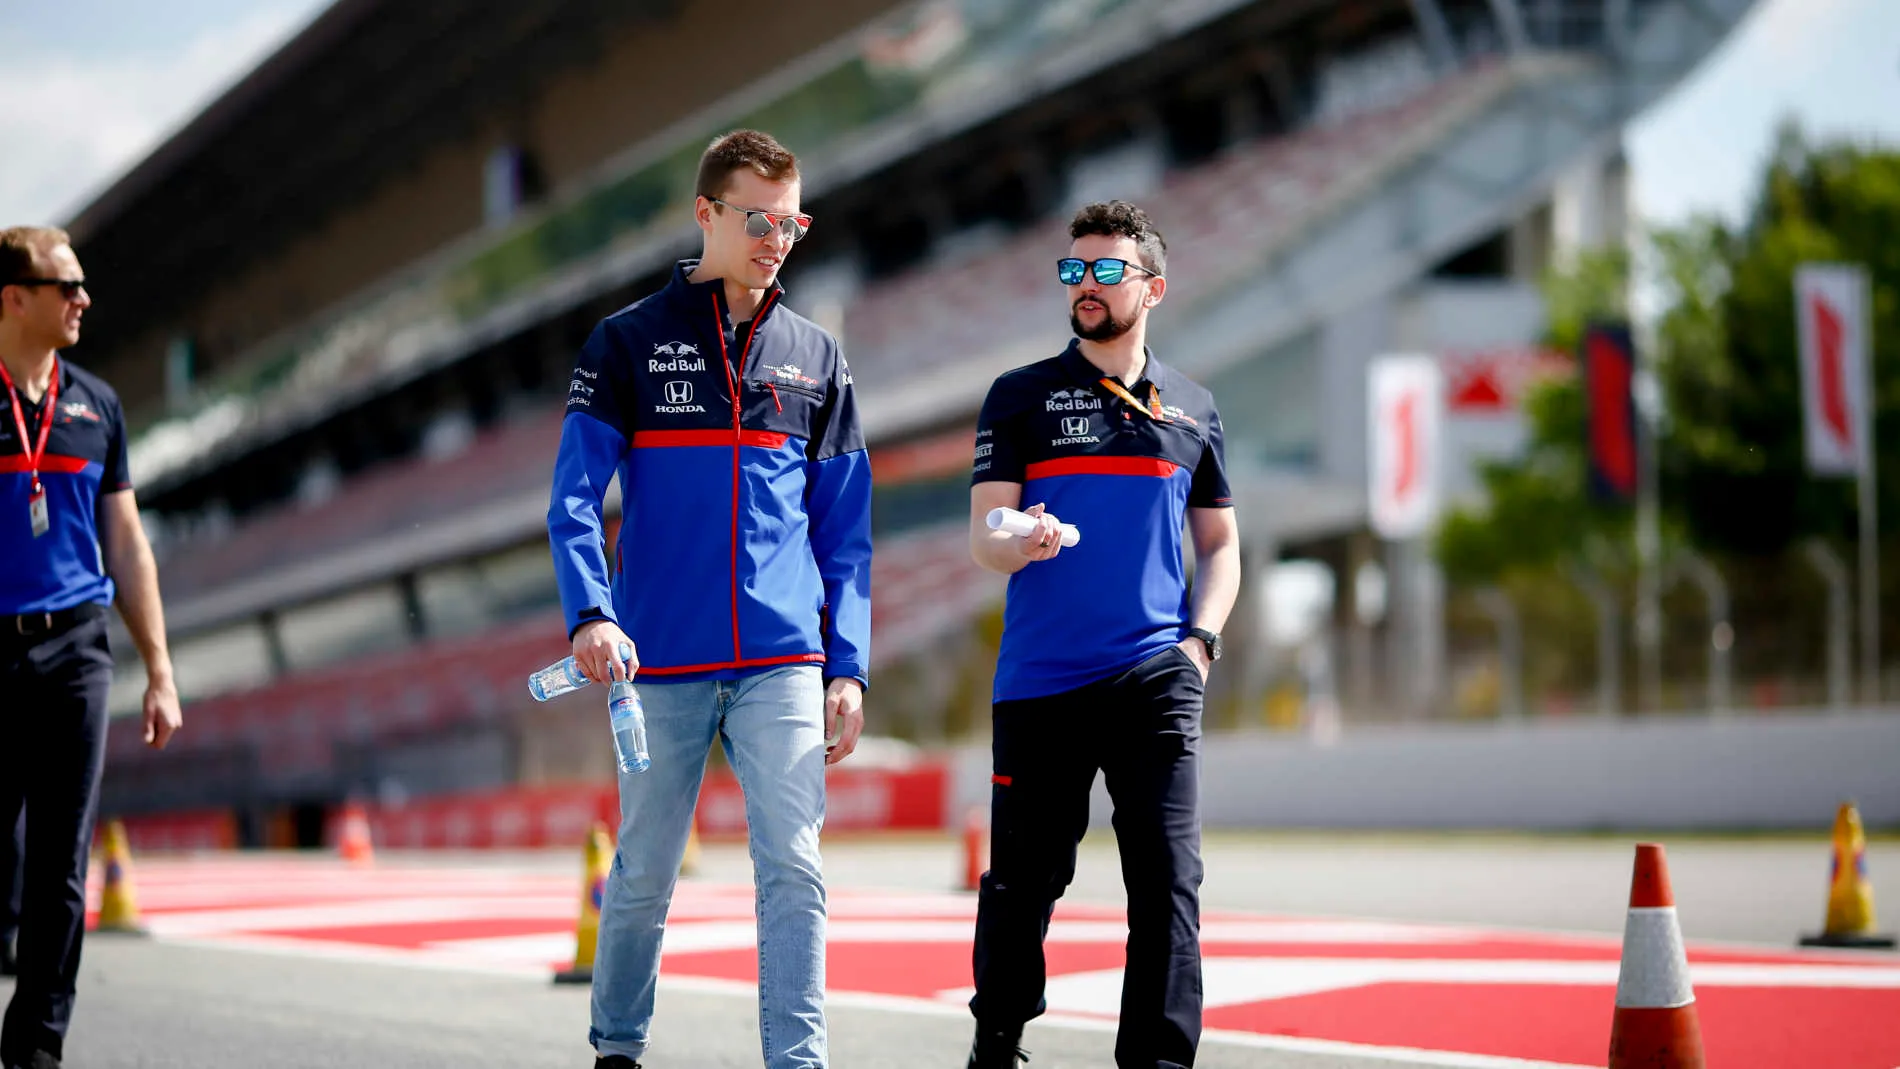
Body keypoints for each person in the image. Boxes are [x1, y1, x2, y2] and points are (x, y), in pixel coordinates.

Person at [547, 130, 872, 1069]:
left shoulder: (818, 356)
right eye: (760, 219)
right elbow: (573, 497)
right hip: (661, 661)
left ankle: (796, 1061)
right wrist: (591, 612)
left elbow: (845, 536)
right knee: (644, 874)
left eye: (794, 221)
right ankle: (617, 1048)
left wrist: (845, 664)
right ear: (707, 215)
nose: (779, 237)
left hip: (783, 661)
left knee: (796, 869)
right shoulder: (625, 342)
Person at [963, 201, 1242, 1069]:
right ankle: (998, 1039)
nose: (1085, 284)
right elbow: (984, 535)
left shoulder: (1194, 407)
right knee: (1024, 884)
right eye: (1074, 269)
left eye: (1105, 270)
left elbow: (1222, 542)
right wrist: (1023, 535)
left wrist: (1199, 643)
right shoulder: (1019, 396)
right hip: (1042, 681)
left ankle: (1158, 1063)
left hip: (1157, 675)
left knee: (1167, 886)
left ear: (1152, 286)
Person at [0, 226, 182, 1069]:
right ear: (14, 297)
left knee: (62, 870)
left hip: (76, 650)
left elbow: (128, 541)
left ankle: (36, 1051)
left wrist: (159, 670)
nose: (83, 298)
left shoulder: (97, 406)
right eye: (65, 284)